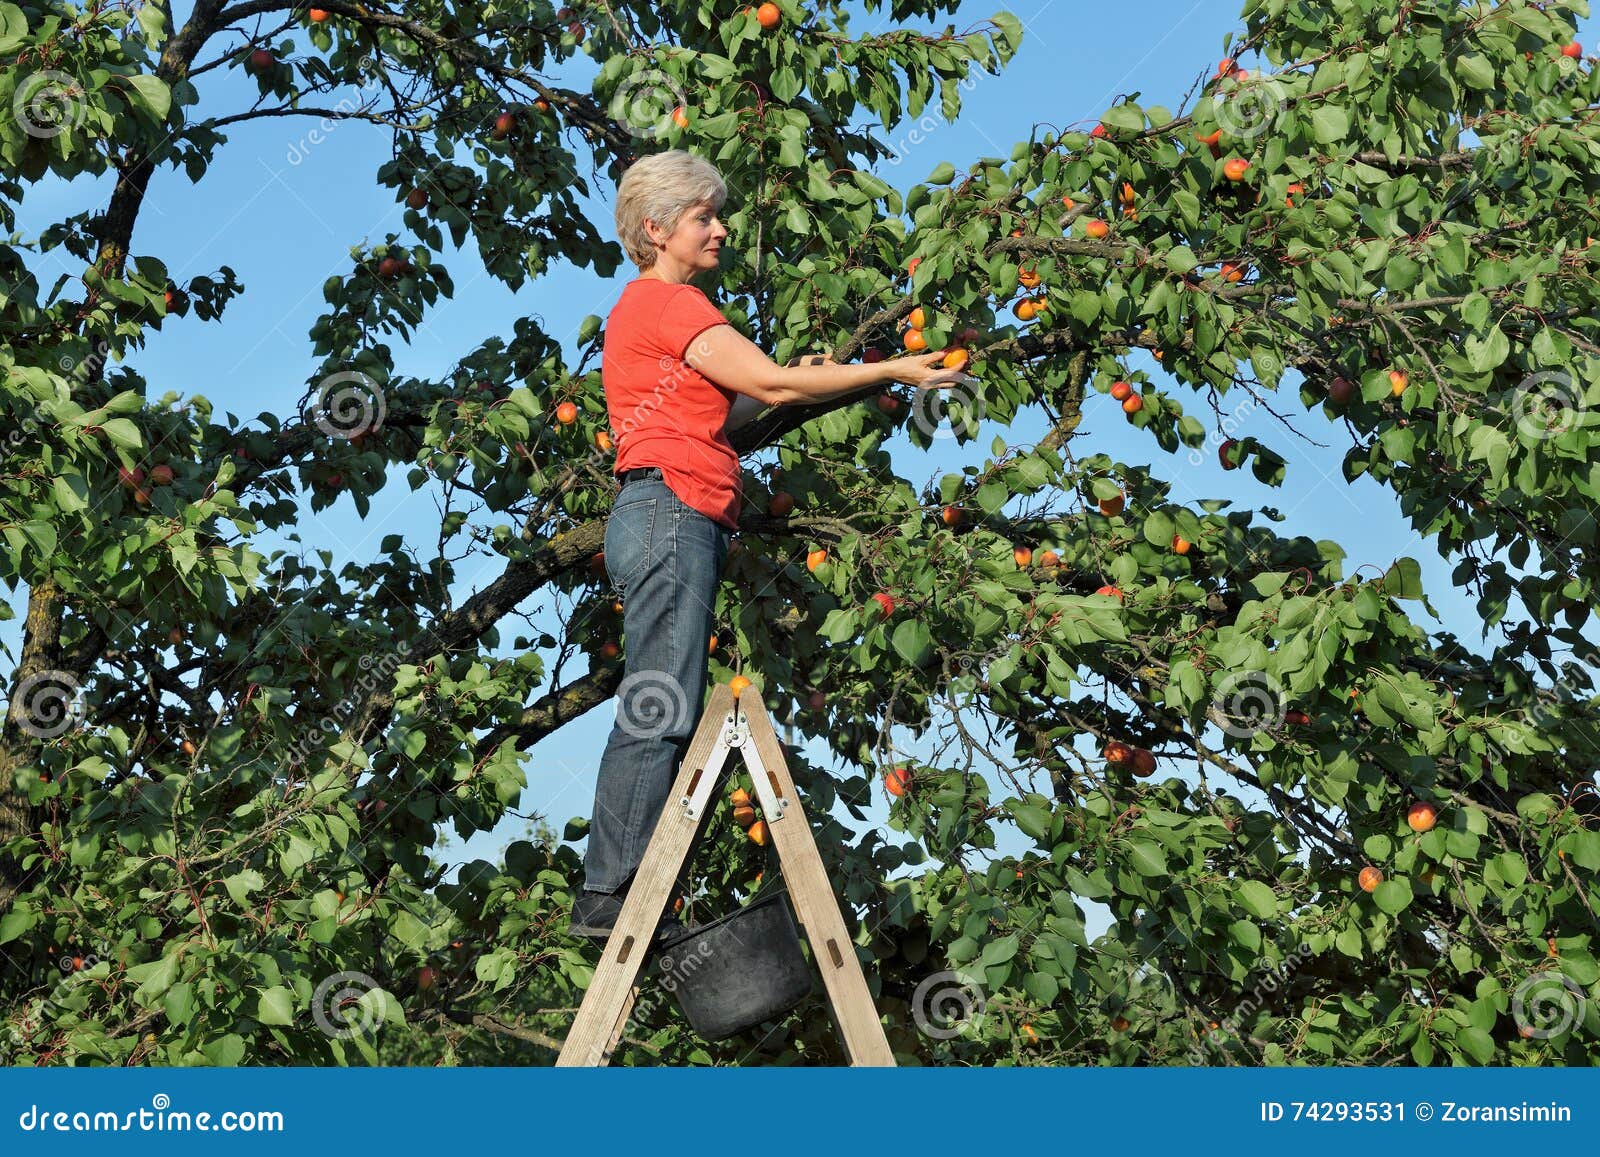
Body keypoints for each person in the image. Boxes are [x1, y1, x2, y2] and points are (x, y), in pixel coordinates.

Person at [568, 149, 969, 941]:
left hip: (663, 511)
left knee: (664, 698)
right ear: (656, 230)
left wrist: (789, 377)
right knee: (661, 704)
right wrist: (887, 367)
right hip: (671, 512)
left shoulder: (642, 312)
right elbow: (779, 387)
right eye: (703, 218)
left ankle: (617, 891)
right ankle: (611, 896)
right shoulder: (673, 305)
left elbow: (740, 407)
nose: (720, 228)